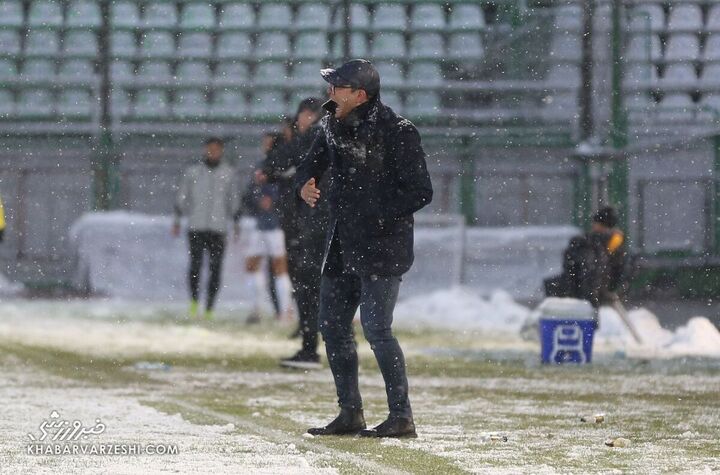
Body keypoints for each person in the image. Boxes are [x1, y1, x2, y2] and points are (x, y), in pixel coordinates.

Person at [296, 59, 433, 438]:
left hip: (381, 249)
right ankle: (350, 412)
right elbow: (308, 165)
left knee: (377, 330)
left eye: (337, 88)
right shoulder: (331, 124)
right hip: (342, 244)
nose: (329, 94)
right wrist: (304, 185)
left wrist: (376, 216)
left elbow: (420, 191)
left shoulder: (399, 131)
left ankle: (401, 416)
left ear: (360, 94)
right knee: (333, 326)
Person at [259, 98, 328, 369]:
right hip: (313, 221)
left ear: (308, 115)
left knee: (308, 284)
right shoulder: (326, 137)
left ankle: (311, 346)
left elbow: (275, 163)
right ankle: (324, 342)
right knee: (319, 285)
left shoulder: (312, 137)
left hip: (308, 222)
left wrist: (272, 166)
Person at [173, 137, 240, 320]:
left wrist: (236, 223)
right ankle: (194, 302)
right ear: (204, 150)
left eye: (216, 149)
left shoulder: (228, 173)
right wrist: (177, 219)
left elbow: (233, 201)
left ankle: (210, 306)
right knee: (195, 266)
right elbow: (182, 198)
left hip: (218, 228)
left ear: (221, 151)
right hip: (197, 226)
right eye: (210, 149)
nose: (213, 152)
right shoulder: (193, 172)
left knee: (215, 268)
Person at [544, 206, 627, 315]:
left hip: (591, 286)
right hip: (604, 284)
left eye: (595, 223)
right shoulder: (616, 239)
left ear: (600, 224)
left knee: (552, 285)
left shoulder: (592, 241)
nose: (593, 226)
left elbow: (591, 266)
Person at [241, 160, 294, 323]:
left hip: (276, 228)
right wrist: (257, 197)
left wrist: (274, 201)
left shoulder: (282, 169)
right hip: (259, 227)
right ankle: (255, 309)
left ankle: (286, 312)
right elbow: (247, 198)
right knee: (252, 266)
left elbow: (287, 196)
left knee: (279, 269)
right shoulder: (261, 168)